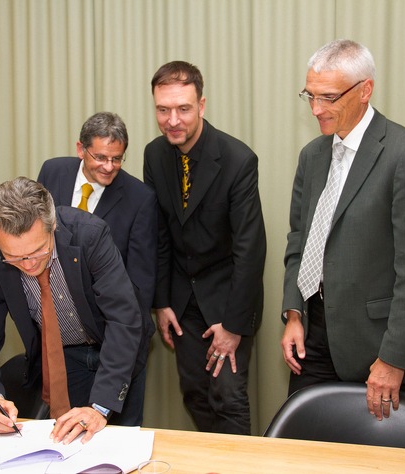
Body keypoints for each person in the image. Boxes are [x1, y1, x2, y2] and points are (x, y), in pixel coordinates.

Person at [280, 39, 405, 421]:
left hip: (374, 347)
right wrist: (294, 313)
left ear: (365, 90)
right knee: (304, 442)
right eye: (310, 95)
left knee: (367, 450)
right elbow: (299, 240)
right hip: (312, 335)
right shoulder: (312, 156)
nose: (316, 109)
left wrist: (394, 359)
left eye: (328, 97)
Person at [0, 177, 147, 444]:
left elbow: (123, 320)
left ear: (53, 226)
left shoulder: (90, 236)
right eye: (14, 257)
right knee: (71, 441)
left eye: (38, 251)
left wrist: (99, 408)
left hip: (118, 347)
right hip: (66, 356)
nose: (28, 265)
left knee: (121, 441)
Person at [143, 61, 266, 435]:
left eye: (183, 108)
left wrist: (233, 325)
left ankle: (238, 462)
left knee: (228, 398)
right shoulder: (154, 155)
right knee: (195, 394)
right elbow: (159, 233)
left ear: (201, 105)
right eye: (163, 110)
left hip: (227, 300)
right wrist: (162, 302)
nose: (172, 120)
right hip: (182, 302)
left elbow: (250, 249)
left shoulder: (237, 159)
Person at [37, 111, 157, 364]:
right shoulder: (52, 171)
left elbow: (140, 281)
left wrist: (123, 338)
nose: (109, 167)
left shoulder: (140, 198)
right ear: (81, 149)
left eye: (117, 159)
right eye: (100, 157)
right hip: (57, 332)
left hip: (109, 334)